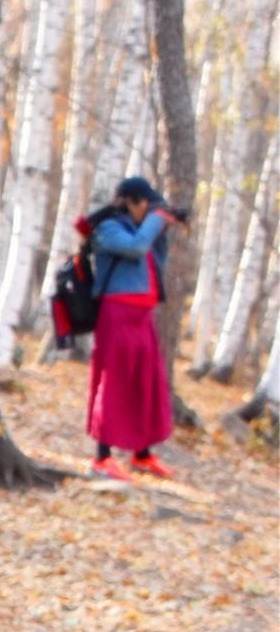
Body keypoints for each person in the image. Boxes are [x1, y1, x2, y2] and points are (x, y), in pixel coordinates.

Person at [84, 175, 179, 481]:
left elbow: (155, 261)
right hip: (116, 315)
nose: (149, 212)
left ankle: (142, 454)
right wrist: (156, 221)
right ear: (130, 203)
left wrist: (162, 227)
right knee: (114, 384)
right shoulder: (108, 228)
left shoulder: (143, 228)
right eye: (145, 205)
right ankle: (102, 458)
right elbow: (136, 249)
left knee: (146, 383)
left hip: (142, 317)